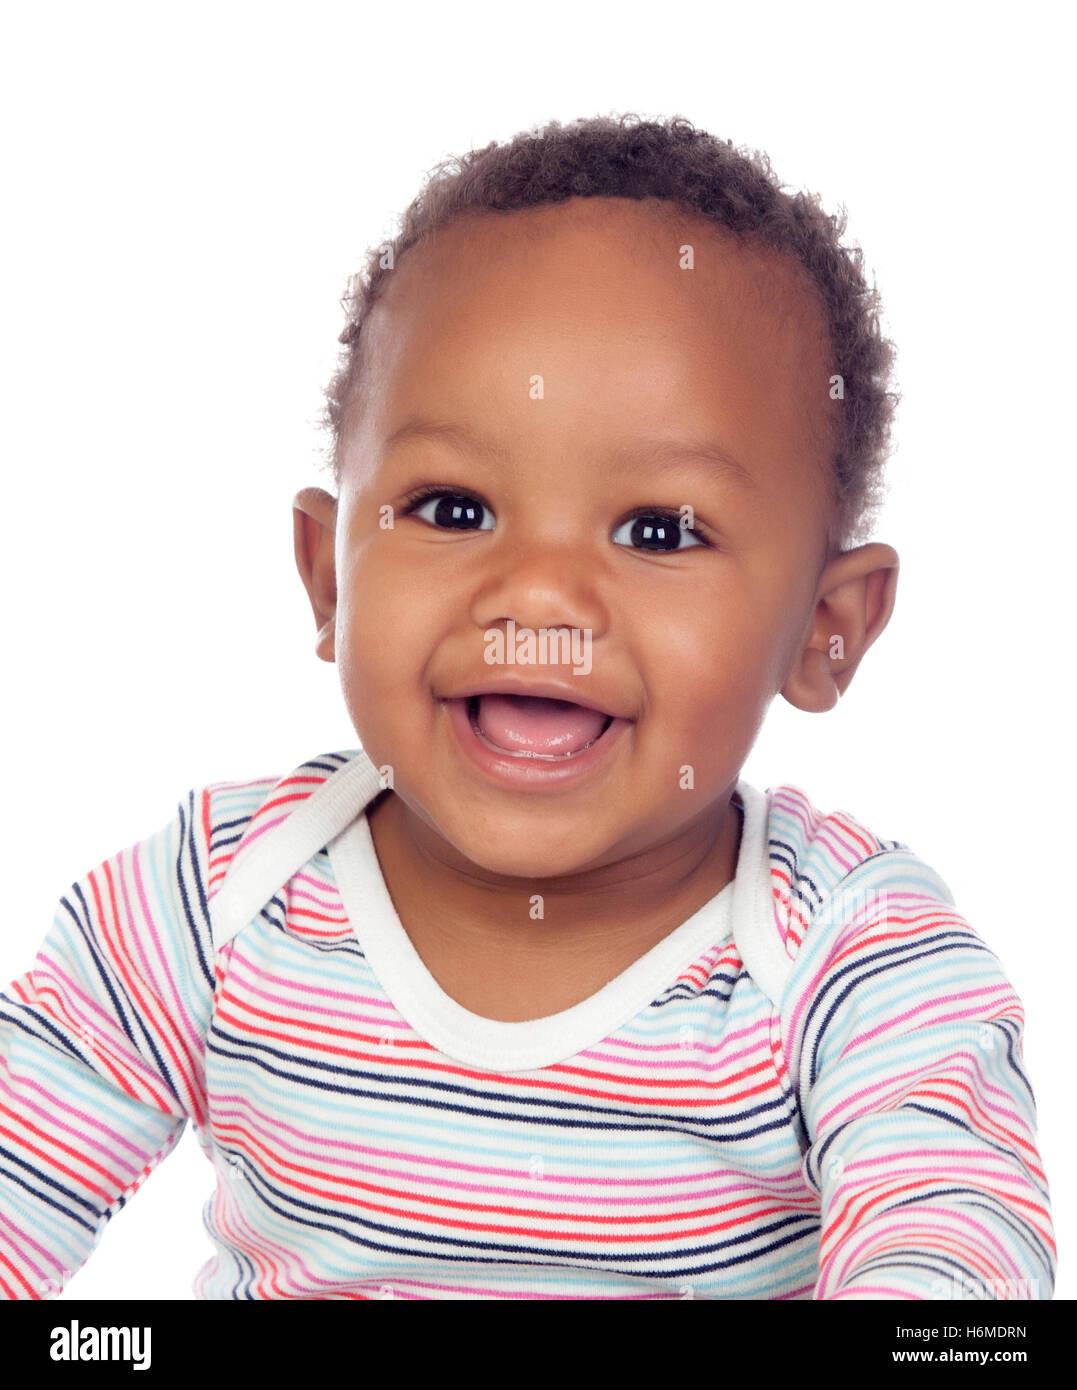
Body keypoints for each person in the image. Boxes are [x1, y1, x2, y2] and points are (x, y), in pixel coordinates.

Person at [0, 114, 1055, 1300]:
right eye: (454, 508)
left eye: (659, 530)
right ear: (330, 576)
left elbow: (961, 1252)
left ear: (826, 628)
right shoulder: (209, 904)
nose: (540, 592)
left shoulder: (852, 956)